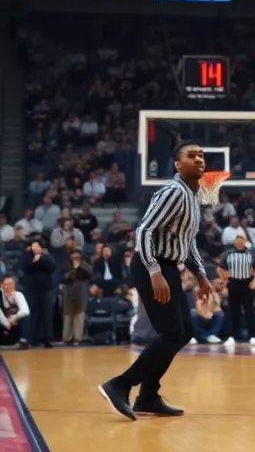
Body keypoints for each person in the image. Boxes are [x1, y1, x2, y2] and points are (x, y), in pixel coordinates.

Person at [98, 141, 214, 420]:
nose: (198, 159)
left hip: (168, 267)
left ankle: (148, 396)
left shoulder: (193, 197)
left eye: (201, 155)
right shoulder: (173, 191)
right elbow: (145, 230)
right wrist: (154, 271)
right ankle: (120, 384)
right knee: (171, 333)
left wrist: (201, 275)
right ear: (177, 165)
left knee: (184, 331)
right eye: (191, 155)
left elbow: (186, 244)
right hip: (152, 265)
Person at [217, 232, 255, 345]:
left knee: (250, 311)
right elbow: (220, 268)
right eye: (237, 239)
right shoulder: (227, 254)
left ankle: (253, 336)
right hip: (233, 283)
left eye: (241, 239)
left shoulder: (250, 253)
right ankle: (231, 336)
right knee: (232, 311)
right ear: (234, 242)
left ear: (245, 241)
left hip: (247, 283)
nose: (239, 241)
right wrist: (223, 279)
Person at [20, 240, 56, 348]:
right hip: (32, 290)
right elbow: (25, 267)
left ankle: (47, 339)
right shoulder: (27, 256)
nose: (35, 247)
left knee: (47, 315)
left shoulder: (46, 256)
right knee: (33, 314)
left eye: (37, 245)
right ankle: (33, 339)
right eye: (33, 245)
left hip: (46, 289)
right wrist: (34, 261)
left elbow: (52, 267)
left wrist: (41, 258)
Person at [0, 276, 30, 348]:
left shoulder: (18, 294)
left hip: (14, 323)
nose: (9, 286)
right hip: (3, 322)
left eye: (11, 284)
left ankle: (23, 341)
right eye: (7, 284)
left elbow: (25, 311)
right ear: (2, 285)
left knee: (26, 318)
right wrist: (6, 322)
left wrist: (15, 317)